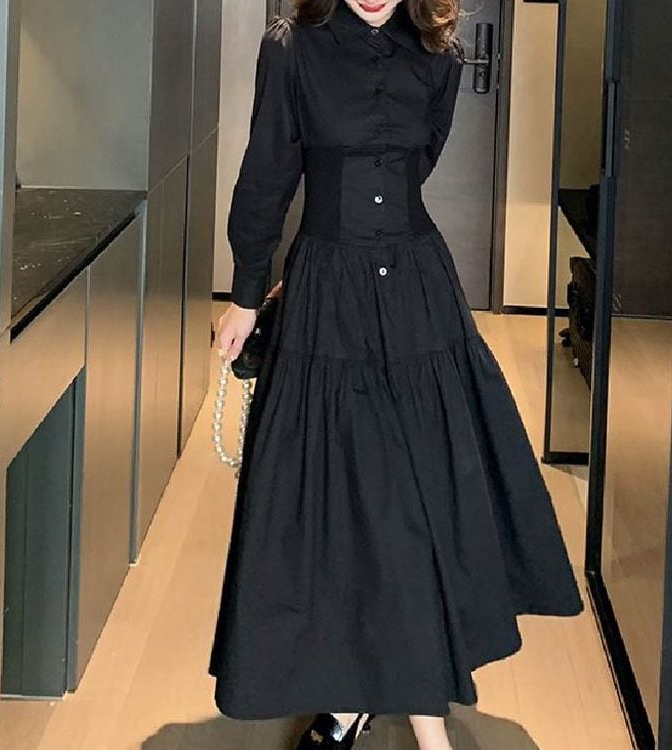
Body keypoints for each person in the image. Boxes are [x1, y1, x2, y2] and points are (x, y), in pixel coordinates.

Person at [209, 1, 584, 748]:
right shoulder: (293, 48)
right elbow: (268, 172)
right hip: (328, 294)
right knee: (346, 497)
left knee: (417, 493)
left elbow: (420, 161)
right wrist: (247, 294)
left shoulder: (438, 54)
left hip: (417, 292)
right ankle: (376, 700)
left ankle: (388, 700)